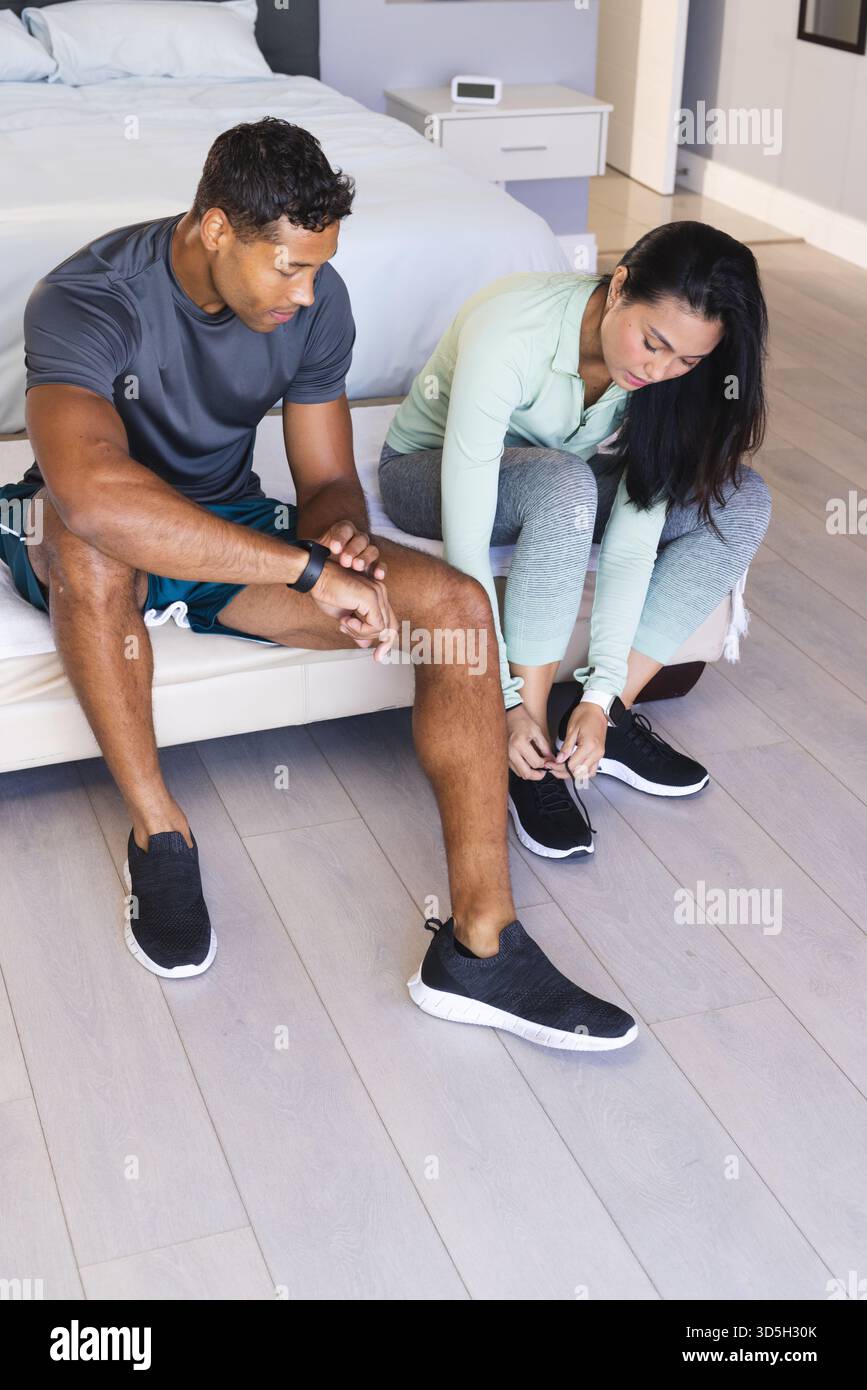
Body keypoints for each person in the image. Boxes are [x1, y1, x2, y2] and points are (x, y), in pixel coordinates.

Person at [0, 118, 636, 1053]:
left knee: (457, 609)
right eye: (287, 268)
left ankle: (480, 946)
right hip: (85, 530)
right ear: (216, 228)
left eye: (317, 269)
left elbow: (327, 478)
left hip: (230, 532)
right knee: (91, 544)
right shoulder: (85, 299)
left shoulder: (315, 302)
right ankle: (160, 837)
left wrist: (339, 539)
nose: (305, 294)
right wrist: (302, 569)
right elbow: (93, 494)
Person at [378, 221, 772, 860]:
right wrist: (501, 703)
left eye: (689, 361)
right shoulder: (510, 328)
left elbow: (631, 539)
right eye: (652, 343)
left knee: (743, 500)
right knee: (564, 483)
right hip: (429, 471)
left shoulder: (673, 382)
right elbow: (469, 540)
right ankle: (525, 745)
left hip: (564, 471)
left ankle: (610, 720)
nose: (662, 370)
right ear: (618, 288)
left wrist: (599, 692)